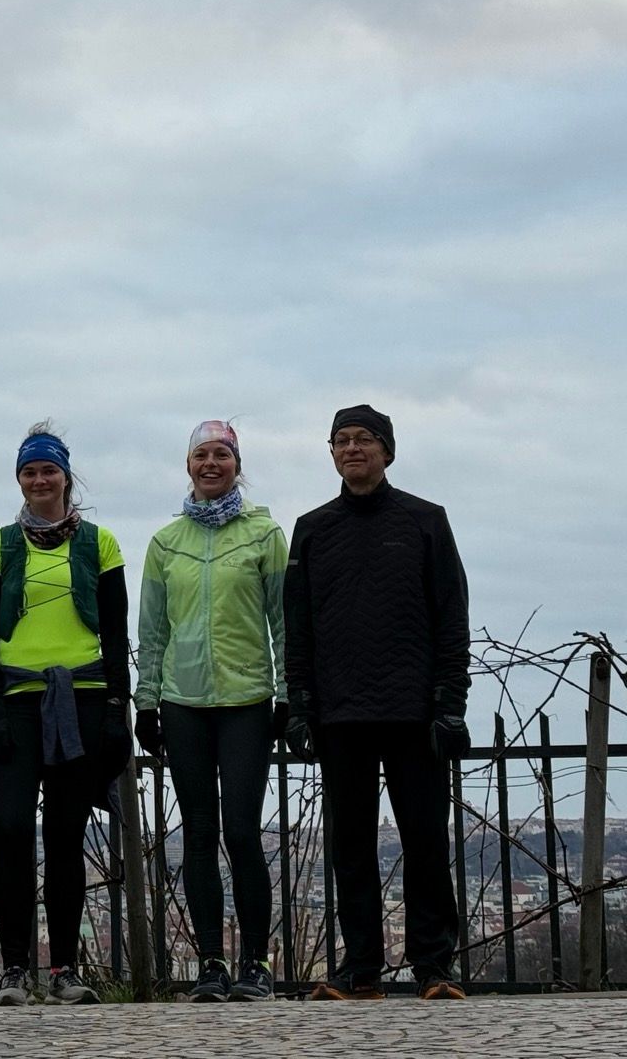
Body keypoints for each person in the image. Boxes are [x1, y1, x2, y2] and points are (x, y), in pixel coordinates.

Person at [283, 405, 472, 1001]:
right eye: (341, 440)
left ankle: (433, 966)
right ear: (331, 453)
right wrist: (299, 702)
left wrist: (450, 702)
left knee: (425, 841)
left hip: (414, 711)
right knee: (351, 846)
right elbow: (297, 625)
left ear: (387, 450)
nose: (352, 449)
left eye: (364, 439)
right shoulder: (312, 529)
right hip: (340, 712)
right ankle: (360, 967)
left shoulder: (425, 520)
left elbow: (452, 615)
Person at [0, 424, 130, 1007]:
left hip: (83, 698)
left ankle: (63, 968)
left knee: (65, 835)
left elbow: (116, 631)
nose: (40, 480)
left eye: (49, 470)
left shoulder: (100, 544)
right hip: (15, 701)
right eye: (30, 471)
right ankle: (14, 967)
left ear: (66, 476)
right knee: (11, 828)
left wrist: (117, 706)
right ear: (20, 479)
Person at [135, 420, 288, 1002]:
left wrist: (287, 694)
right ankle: (210, 964)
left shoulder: (265, 535)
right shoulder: (165, 543)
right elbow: (152, 630)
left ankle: (256, 963)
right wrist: (146, 701)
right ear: (188, 465)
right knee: (198, 833)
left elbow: (283, 622)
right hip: (184, 702)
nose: (210, 464)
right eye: (201, 454)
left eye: (221, 454)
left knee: (242, 832)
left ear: (236, 465)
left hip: (247, 700)